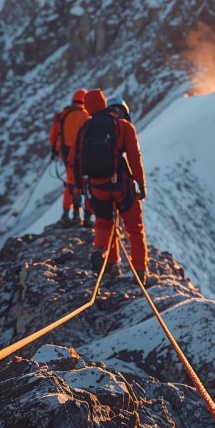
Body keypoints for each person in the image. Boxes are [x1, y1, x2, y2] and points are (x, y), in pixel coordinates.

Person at [74, 89, 150, 283]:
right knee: (134, 228)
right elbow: (134, 157)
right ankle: (140, 271)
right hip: (121, 185)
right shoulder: (123, 126)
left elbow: (77, 160)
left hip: (96, 187)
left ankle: (105, 256)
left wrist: (81, 188)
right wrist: (141, 184)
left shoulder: (85, 128)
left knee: (104, 224)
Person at [49, 89, 91, 224]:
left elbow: (53, 136)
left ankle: (67, 213)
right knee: (79, 182)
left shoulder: (62, 115)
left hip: (65, 154)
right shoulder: (86, 117)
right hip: (81, 155)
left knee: (70, 182)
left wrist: (54, 151)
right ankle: (77, 214)